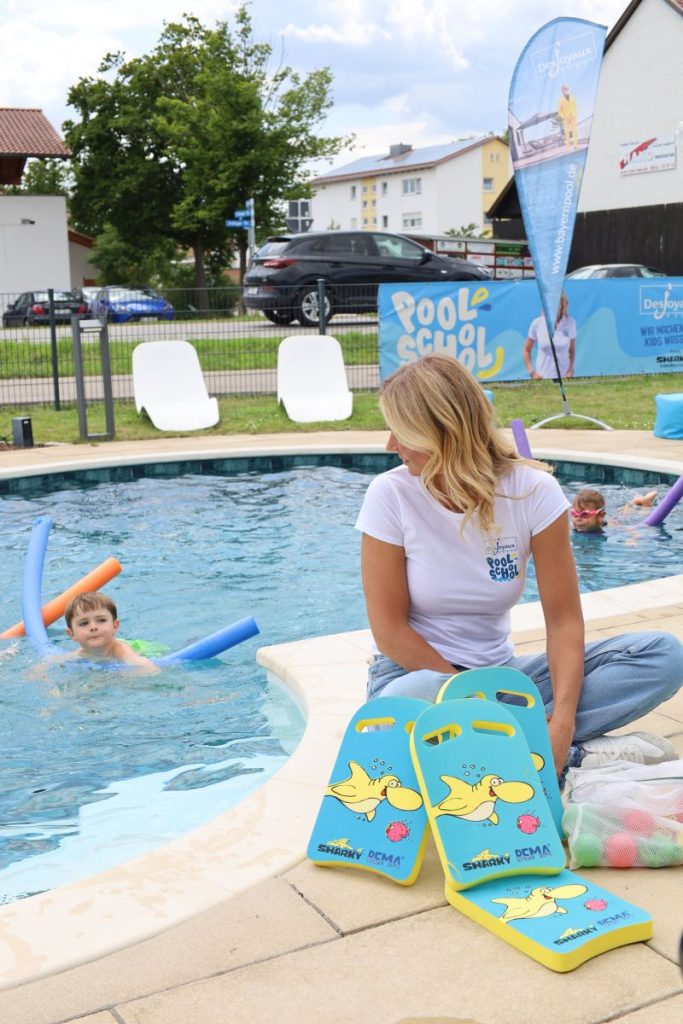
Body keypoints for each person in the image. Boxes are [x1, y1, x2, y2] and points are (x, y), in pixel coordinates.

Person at [355, 354, 683, 777]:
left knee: (662, 655)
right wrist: (477, 701)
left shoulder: (533, 492)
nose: (389, 446)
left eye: (401, 433)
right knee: (398, 710)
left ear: (442, 434)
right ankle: (569, 757)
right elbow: (390, 631)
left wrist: (562, 721)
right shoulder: (389, 495)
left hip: (504, 677)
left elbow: (564, 621)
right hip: (417, 675)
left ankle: (534, 746)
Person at [62, 591, 159, 673]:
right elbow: (52, 662)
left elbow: (147, 667)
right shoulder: (78, 654)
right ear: (71, 634)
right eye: (84, 623)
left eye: (101, 620)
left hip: (145, 649)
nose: (93, 627)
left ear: (115, 626)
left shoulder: (120, 650)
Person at [523, 292, 576, 380]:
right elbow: (526, 350)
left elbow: (572, 351)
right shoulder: (537, 323)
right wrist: (532, 372)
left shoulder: (570, 322)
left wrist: (570, 370)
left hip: (564, 379)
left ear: (562, 304)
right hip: (542, 379)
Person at [570, 486, 658, 534]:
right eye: (574, 513)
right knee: (621, 513)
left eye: (584, 514)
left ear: (600, 516)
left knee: (623, 516)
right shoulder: (574, 526)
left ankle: (645, 503)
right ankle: (635, 501)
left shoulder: (611, 527)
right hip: (608, 519)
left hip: (613, 523)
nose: (578, 518)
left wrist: (632, 540)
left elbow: (634, 531)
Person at [558, 83, 578, 150]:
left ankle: (575, 146)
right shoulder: (561, 99)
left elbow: (575, 107)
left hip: (573, 117)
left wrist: (575, 114)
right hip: (566, 119)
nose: (566, 89)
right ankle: (568, 148)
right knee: (567, 134)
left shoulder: (573, 97)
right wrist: (564, 117)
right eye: (565, 88)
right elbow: (560, 111)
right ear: (562, 91)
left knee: (574, 132)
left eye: (567, 88)